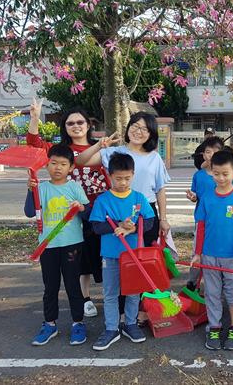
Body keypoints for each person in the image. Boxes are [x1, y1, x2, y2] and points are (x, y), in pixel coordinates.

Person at [76, 112, 171, 326]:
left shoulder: (154, 157)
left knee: (144, 264)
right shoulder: (114, 152)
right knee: (120, 263)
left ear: (151, 134)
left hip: (145, 214)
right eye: (135, 126)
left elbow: (160, 190)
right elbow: (80, 161)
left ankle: (142, 311)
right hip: (116, 214)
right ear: (128, 128)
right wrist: (99, 146)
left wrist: (163, 218)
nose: (138, 131)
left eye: (145, 129)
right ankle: (120, 313)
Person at [27, 98, 110, 318]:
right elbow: (34, 144)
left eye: (80, 122)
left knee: (105, 252)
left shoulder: (102, 147)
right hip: (70, 212)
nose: (75, 126)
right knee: (81, 256)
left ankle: (111, 296)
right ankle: (85, 299)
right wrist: (35, 119)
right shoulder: (59, 150)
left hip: (99, 208)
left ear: (88, 125)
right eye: (70, 123)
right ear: (65, 127)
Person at [25, 145, 91, 346]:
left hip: (72, 245)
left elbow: (88, 214)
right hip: (48, 246)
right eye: (53, 163)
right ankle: (49, 324)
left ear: (71, 167)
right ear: (47, 165)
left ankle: (78, 323)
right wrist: (30, 192)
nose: (58, 168)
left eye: (63, 164)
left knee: (73, 286)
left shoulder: (74, 188)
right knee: (50, 287)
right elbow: (30, 212)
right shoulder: (40, 188)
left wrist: (80, 207)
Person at [89, 153, 156, 351]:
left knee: (134, 292)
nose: (123, 182)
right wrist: (117, 225)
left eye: (127, 178)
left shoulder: (139, 197)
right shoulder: (103, 200)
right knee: (111, 293)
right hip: (111, 255)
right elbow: (96, 227)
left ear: (133, 175)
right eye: (118, 178)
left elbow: (150, 222)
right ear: (110, 176)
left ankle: (131, 324)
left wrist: (132, 228)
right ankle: (111, 328)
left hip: (134, 255)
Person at [190, 150, 233, 350]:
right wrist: (198, 253)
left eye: (226, 173)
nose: (221, 178)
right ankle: (214, 326)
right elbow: (201, 227)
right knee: (212, 292)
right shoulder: (207, 198)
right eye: (217, 173)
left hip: (232, 256)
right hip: (208, 255)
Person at [185, 135, 225, 290]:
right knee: (198, 249)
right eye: (208, 152)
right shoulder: (198, 175)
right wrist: (193, 197)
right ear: (203, 154)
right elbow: (195, 196)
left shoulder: (226, 176)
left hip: (221, 221)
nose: (212, 155)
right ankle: (192, 281)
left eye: (215, 152)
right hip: (201, 220)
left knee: (218, 251)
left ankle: (218, 280)